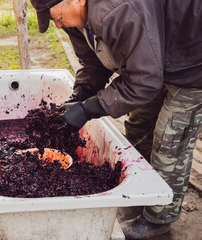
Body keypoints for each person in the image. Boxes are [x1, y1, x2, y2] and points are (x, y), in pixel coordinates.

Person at [30, 0, 202, 239]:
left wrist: (89, 109)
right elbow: (94, 63)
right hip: (154, 59)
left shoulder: (116, 10)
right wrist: (81, 93)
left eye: (57, 17)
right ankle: (143, 191)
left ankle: (159, 218)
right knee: (139, 126)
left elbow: (143, 81)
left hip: (193, 61)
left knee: (169, 140)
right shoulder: (75, 20)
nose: (57, 26)